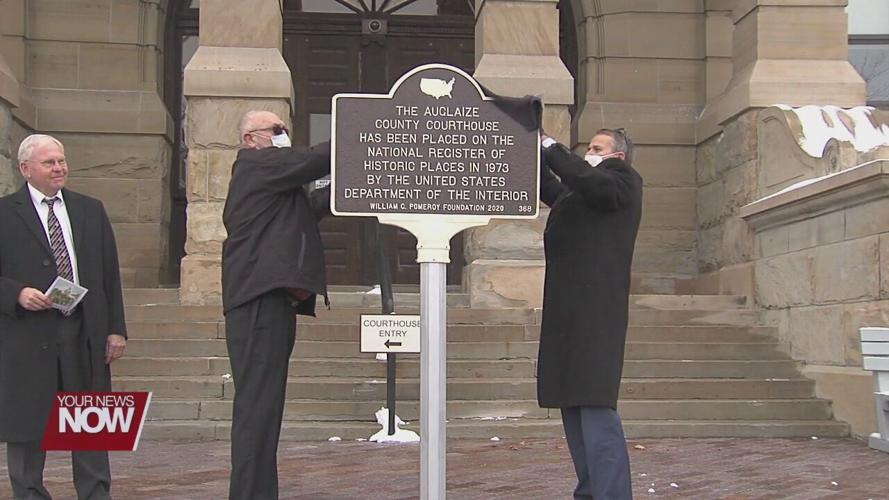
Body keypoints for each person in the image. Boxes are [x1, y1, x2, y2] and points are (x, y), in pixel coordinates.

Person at [0, 134, 127, 499]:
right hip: (27, 336)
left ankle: (95, 492)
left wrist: (116, 329)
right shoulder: (6, 213)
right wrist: (17, 294)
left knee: (88, 420)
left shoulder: (90, 209)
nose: (59, 168)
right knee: (28, 427)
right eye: (49, 163)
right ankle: (29, 493)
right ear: (25, 169)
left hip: (82, 332)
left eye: (61, 161)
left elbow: (108, 274)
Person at [222, 110, 331, 500]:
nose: (284, 136)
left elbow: (310, 207)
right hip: (257, 300)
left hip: (276, 302)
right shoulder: (254, 164)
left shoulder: (275, 184)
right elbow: (313, 159)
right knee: (256, 408)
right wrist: (360, 134)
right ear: (252, 138)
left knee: (265, 409)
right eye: (277, 130)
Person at [537, 128, 644, 500]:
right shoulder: (579, 192)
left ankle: (612, 494)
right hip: (569, 312)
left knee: (595, 405)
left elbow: (584, 179)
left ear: (619, 157)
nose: (588, 154)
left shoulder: (622, 181)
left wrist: (551, 146)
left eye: (597, 148)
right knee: (572, 402)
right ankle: (590, 490)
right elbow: (551, 186)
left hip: (597, 312)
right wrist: (528, 146)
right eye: (587, 148)